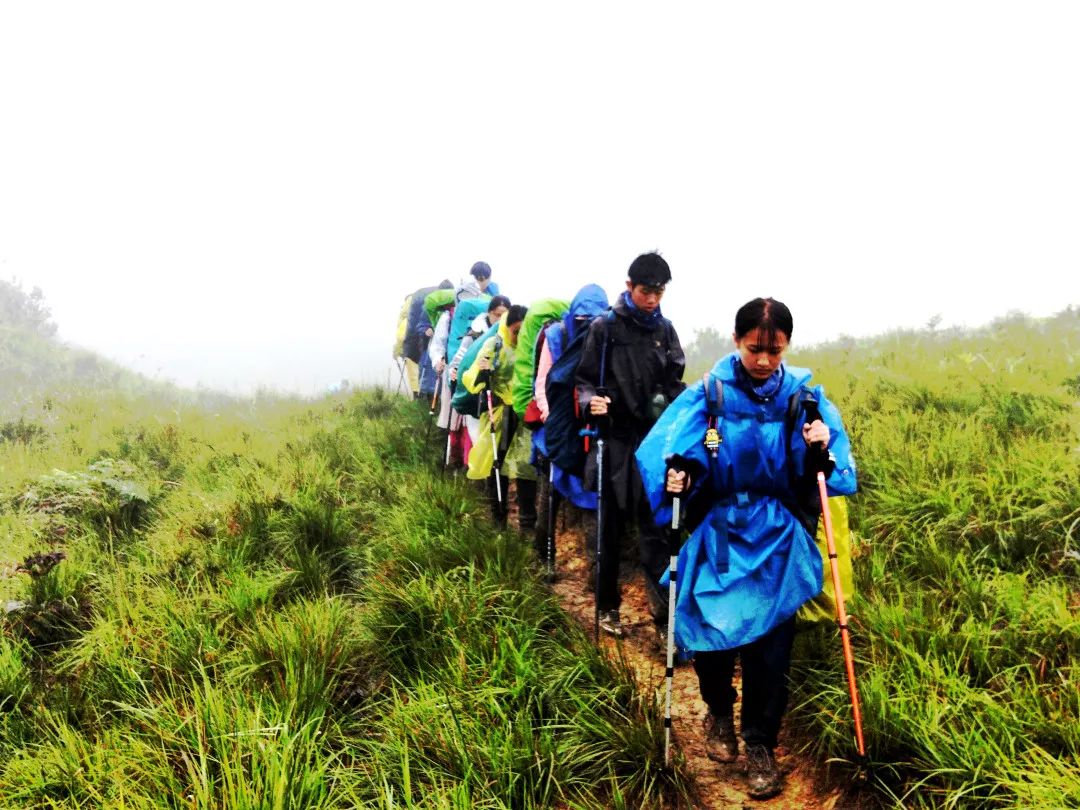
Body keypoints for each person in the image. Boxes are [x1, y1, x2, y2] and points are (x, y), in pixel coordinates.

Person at [635, 297, 857, 800]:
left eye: (774, 351)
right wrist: (681, 474)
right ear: (737, 341)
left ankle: (760, 744)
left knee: (771, 653)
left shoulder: (806, 398)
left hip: (778, 537)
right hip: (720, 533)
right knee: (712, 638)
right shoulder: (710, 394)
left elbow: (835, 473)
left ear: (785, 347)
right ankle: (718, 712)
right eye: (755, 349)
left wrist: (819, 448)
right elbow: (671, 450)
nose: (763, 361)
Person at [575, 253, 685, 637]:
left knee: (655, 530)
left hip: (652, 445)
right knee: (609, 529)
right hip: (613, 441)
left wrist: (678, 406)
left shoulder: (665, 331)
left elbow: (675, 382)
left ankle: (663, 620)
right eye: (645, 291)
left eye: (658, 292)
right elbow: (585, 380)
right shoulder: (604, 329)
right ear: (629, 287)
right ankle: (607, 608)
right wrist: (593, 403)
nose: (652, 299)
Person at [531, 283, 609, 564]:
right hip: (556, 424)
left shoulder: (608, 337)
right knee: (550, 492)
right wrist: (553, 419)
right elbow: (542, 383)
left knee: (591, 496)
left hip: (592, 426)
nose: (586, 325)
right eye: (581, 320)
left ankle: (595, 572)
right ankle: (542, 556)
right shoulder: (556, 337)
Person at [460, 304, 528, 525]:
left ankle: (525, 516)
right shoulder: (494, 344)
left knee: (523, 464)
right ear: (507, 328)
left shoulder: (529, 347)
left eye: (523, 331)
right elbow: (471, 380)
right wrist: (482, 369)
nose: (519, 336)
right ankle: (498, 516)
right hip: (497, 413)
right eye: (516, 331)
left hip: (521, 413)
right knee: (496, 464)